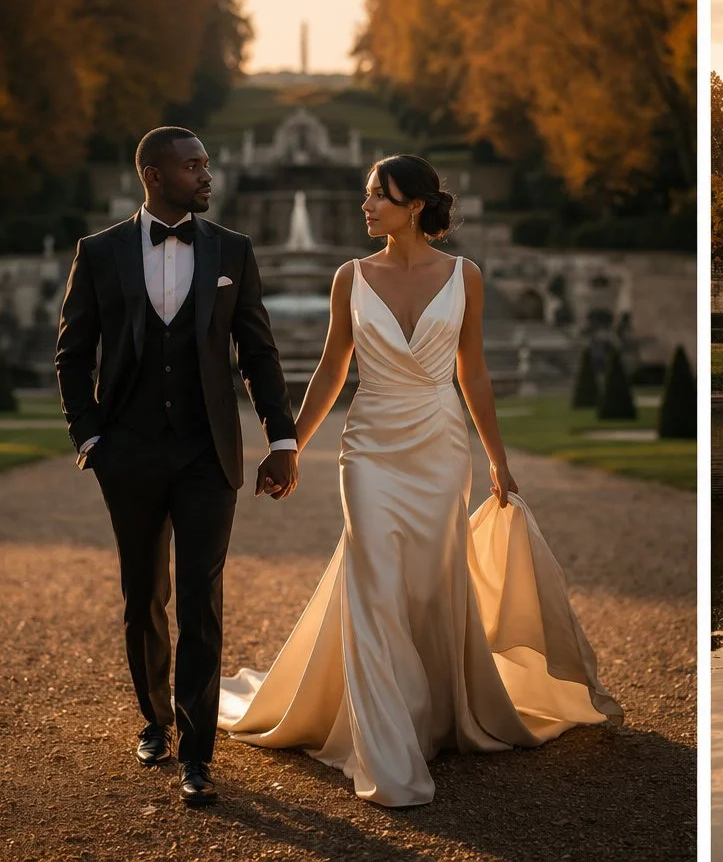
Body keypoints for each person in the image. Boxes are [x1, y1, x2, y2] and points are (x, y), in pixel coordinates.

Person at [217, 154, 621, 807]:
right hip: (369, 449)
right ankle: (388, 751)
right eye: (368, 195)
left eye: (380, 196)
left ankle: (432, 717)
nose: (366, 205)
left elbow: (475, 374)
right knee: (375, 584)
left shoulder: (466, 276)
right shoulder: (350, 277)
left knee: (435, 586)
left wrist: (497, 456)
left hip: (439, 448)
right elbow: (329, 371)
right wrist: (289, 445)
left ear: (415, 206)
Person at [55, 126, 299, 806]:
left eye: (206, 164)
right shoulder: (99, 253)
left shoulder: (232, 250)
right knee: (143, 598)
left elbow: (258, 352)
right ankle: (154, 723)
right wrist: (90, 438)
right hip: (127, 453)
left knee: (201, 599)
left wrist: (283, 439)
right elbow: (73, 354)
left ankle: (198, 754)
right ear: (154, 175)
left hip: (206, 453)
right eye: (192, 165)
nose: (205, 173)